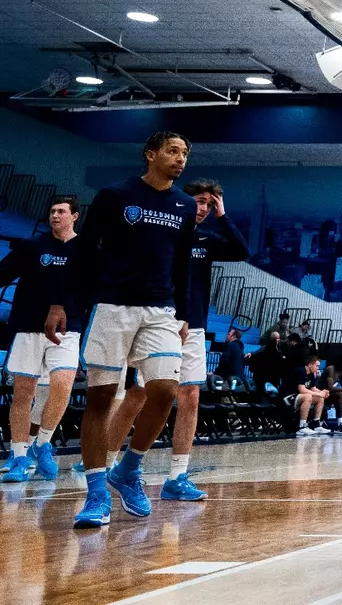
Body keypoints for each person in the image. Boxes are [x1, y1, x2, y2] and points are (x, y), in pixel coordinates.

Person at [48, 131, 197, 528]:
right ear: (150, 155)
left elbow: (182, 262)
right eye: (172, 151)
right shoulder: (115, 196)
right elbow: (81, 251)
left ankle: (128, 469)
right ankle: (97, 493)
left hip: (160, 310)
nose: (180, 159)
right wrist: (61, 302)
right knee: (100, 400)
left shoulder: (183, 205)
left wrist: (182, 312)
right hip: (111, 307)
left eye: (184, 153)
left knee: (164, 392)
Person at [153, 179, 250, 501]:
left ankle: (177, 475)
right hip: (158, 322)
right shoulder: (164, 229)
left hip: (193, 326)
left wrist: (223, 215)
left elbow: (241, 251)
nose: (204, 207)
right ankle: (115, 462)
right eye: (200, 200)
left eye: (210, 203)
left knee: (190, 396)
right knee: (146, 396)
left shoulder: (207, 238)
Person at [0, 195, 82, 482]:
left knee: (62, 386)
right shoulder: (33, 246)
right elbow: (2, 273)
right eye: (52, 211)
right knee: (24, 393)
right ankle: (19, 455)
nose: (55, 216)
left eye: (61, 211)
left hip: (67, 330)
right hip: (27, 327)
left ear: (75, 216)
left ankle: (43, 442)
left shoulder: (85, 250)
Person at [286, 355, 328, 434]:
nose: (318, 368)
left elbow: (312, 388)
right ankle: (302, 426)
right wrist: (319, 394)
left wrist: (322, 392)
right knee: (308, 396)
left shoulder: (311, 374)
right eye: (317, 366)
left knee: (320, 399)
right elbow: (302, 389)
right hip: (288, 397)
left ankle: (316, 424)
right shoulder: (300, 371)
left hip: (298, 396)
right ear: (309, 365)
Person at [249, 329, 287, 396]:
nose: (279, 340)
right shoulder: (277, 353)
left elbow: (254, 359)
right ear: (276, 339)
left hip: (261, 378)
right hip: (270, 379)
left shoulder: (265, 349)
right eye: (278, 338)